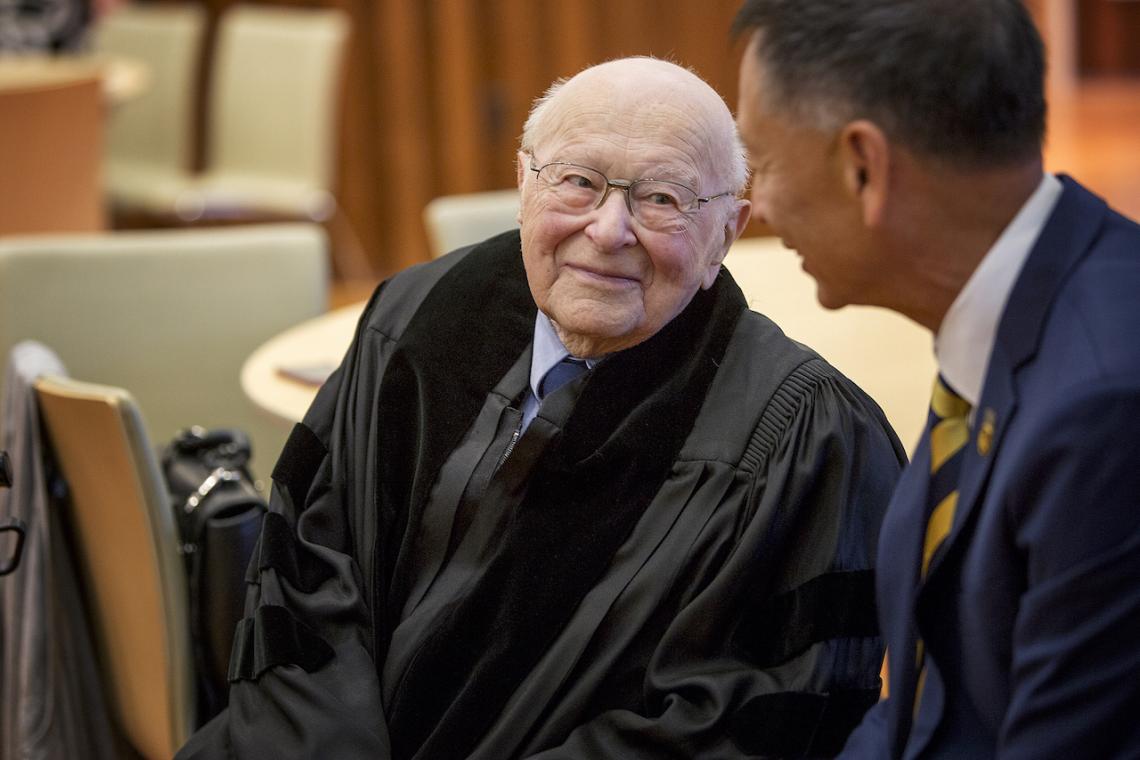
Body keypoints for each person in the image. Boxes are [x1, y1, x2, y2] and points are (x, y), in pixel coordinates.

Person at [178, 56, 904, 759]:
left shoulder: (809, 442)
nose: (609, 231)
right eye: (578, 182)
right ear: (523, 182)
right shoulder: (414, 321)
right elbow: (305, 582)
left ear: (729, 231)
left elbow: (743, 725)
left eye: (662, 199)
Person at [733, 2, 1140, 758]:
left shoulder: (1103, 408)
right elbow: (926, 706)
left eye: (765, 162)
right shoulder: (1018, 305)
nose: (754, 207)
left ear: (864, 166)